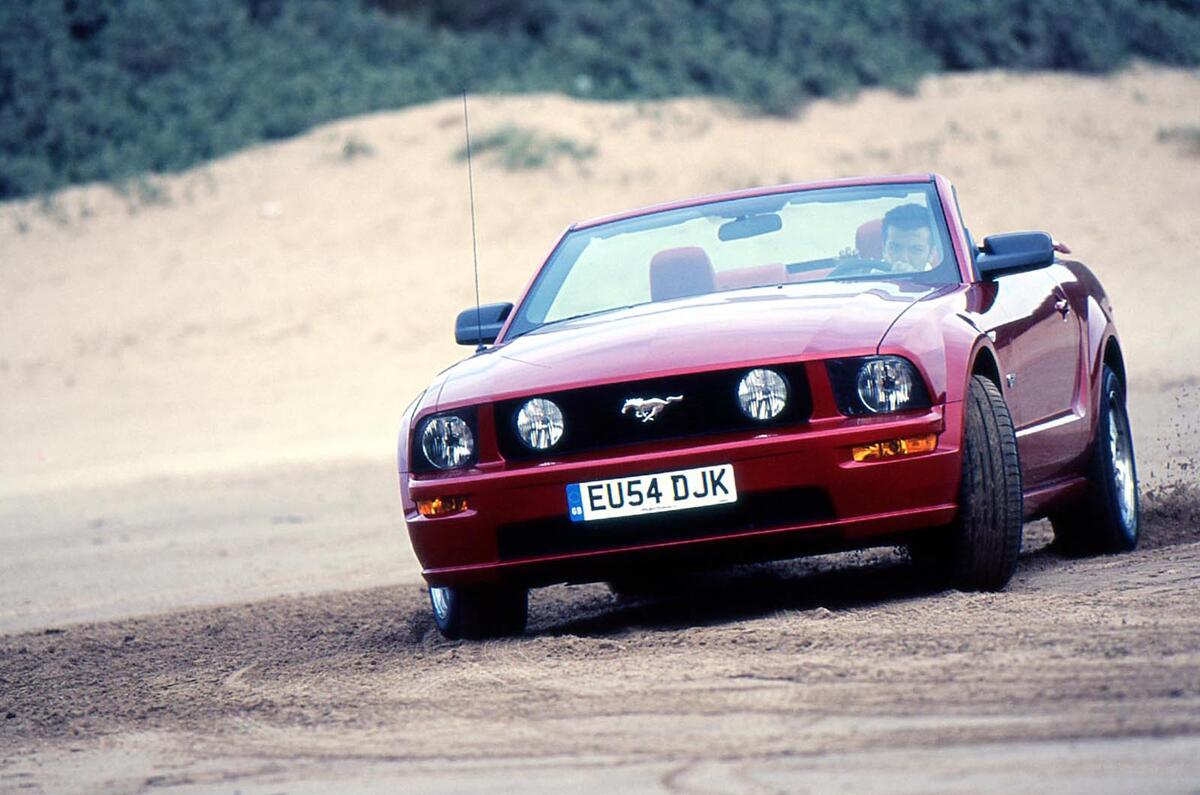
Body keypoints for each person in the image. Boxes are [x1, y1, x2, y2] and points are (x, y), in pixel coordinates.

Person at [880, 203, 937, 272]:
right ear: (884, 249)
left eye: (916, 250)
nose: (904, 259)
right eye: (894, 248)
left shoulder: (943, 281)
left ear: (931, 254)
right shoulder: (867, 280)